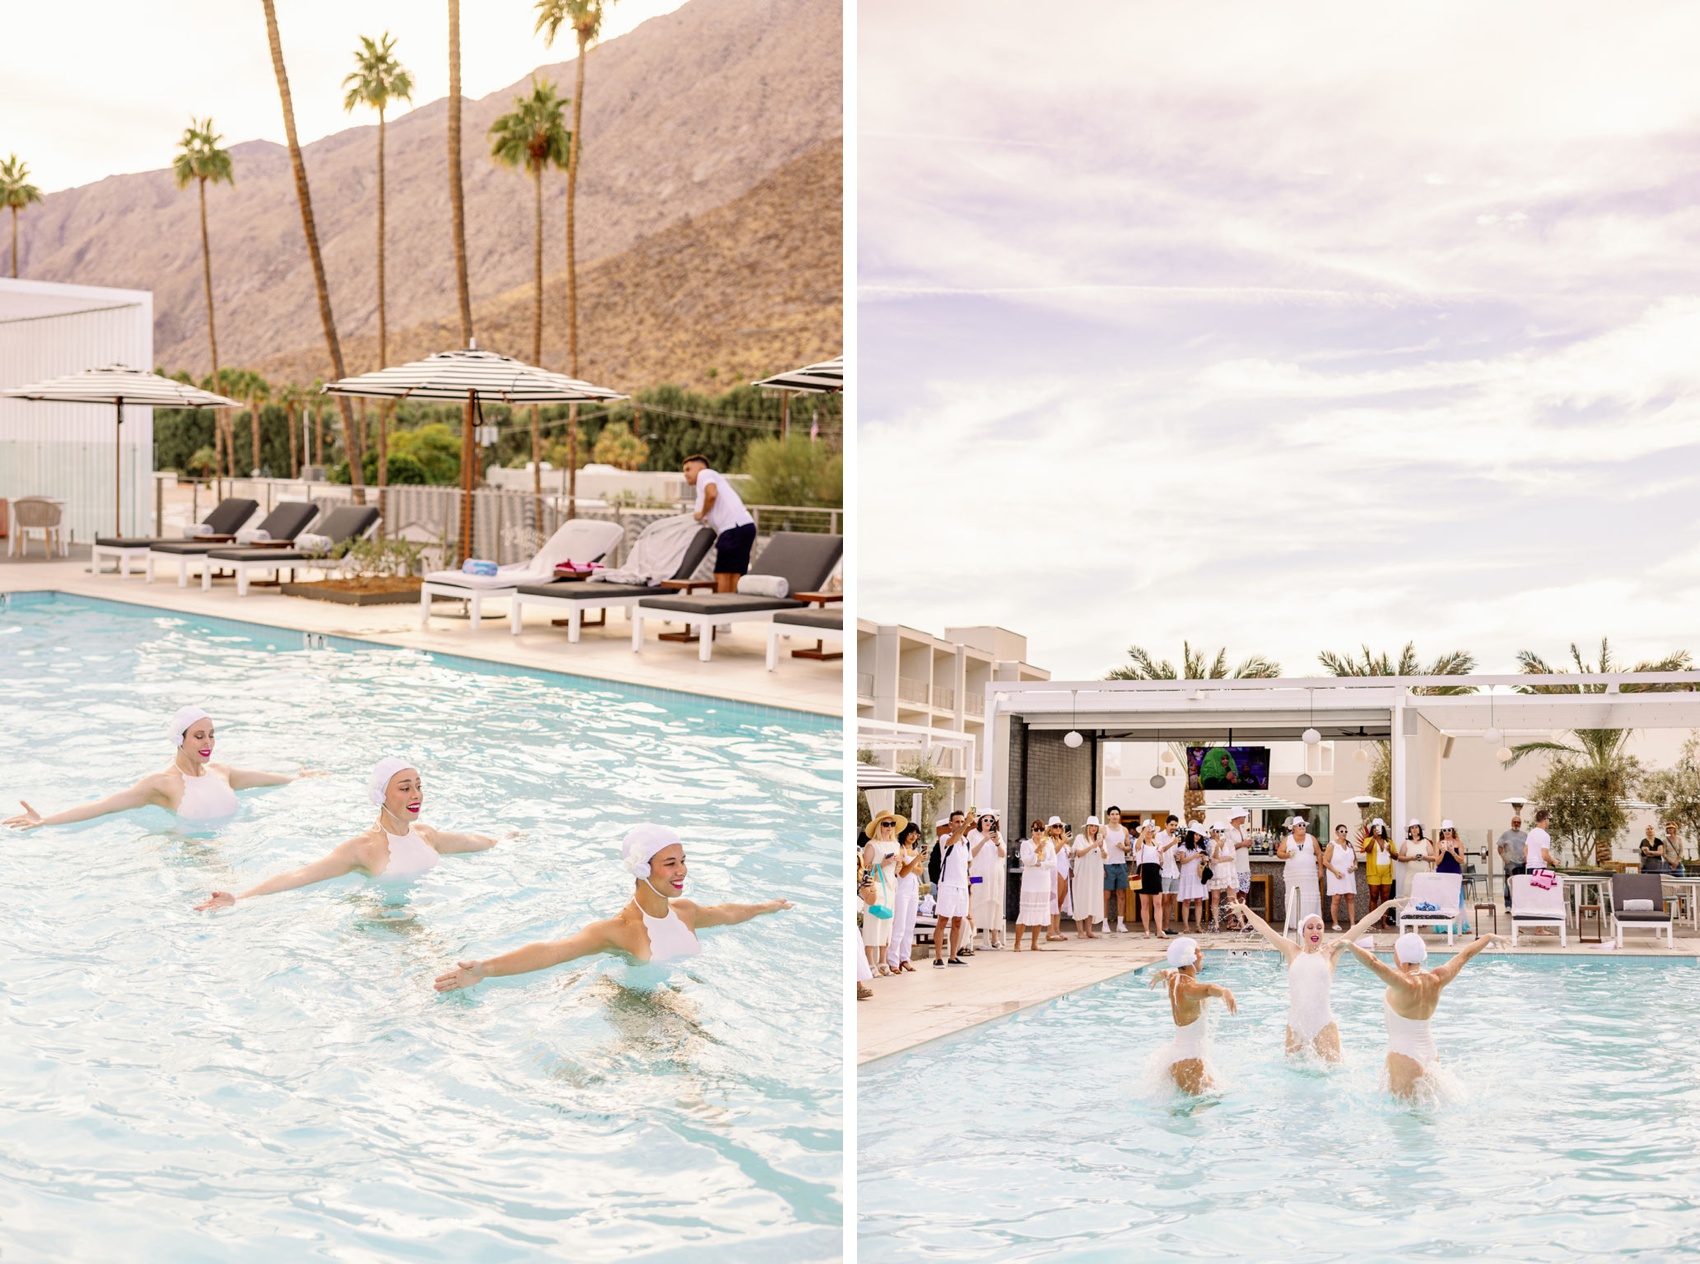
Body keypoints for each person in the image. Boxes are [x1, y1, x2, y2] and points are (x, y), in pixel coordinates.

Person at [434, 823, 792, 992]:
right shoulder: (619, 931)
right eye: (669, 863)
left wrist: (766, 907)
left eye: (683, 860)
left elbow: (728, 913)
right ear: (641, 868)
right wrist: (487, 968)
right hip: (636, 1004)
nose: (681, 870)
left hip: (676, 996)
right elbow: (553, 952)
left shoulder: (686, 912)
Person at [195, 759, 503, 910]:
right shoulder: (363, 849)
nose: (416, 795)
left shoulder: (425, 834)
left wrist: (503, 840)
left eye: (419, 786)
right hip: (384, 923)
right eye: (405, 788)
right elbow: (301, 876)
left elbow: (471, 843)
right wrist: (241, 897)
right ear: (381, 796)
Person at [5, 705, 322, 832]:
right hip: (189, 856)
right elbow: (105, 805)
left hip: (231, 844)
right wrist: (46, 819)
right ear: (178, 739)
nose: (207, 742)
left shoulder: (222, 772)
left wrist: (300, 780)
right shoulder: (162, 784)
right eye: (198, 736)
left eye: (211, 735)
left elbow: (270, 781)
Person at [1226, 898, 1402, 1060]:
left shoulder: (1331, 952)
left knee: (1333, 1072)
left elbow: (1361, 925)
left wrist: (1386, 906)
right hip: (1295, 1024)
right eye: (1310, 927)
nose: (1315, 931)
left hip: (1323, 1022)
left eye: (1319, 927)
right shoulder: (1292, 951)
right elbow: (1264, 928)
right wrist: (1244, 909)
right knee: (1293, 1074)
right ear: (1303, 931)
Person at [1342, 929, 1508, 1098]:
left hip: (1404, 1055)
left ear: (1404, 961)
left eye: (1395, 954)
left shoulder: (1404, 983)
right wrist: (1488, 937)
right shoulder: (1438, 978)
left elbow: (1373, 962)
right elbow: (1465, 955)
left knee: (1401, 1118)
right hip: (1430, 1055)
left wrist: (1348, 944)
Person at [1147, 937, 1237, 1094]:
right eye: (1198, 951)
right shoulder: (1189, 988)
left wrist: (1160, 975)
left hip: (1176, 1057)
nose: (1202, 955)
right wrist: (1224, 991)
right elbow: (1208, 989)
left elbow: (1167, 972)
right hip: (1190, 1061)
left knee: (1186, 1112)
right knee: (1211, 1103)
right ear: (1189, 958)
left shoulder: (1175, 979)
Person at [682, 453, 757, 594]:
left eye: (688, 469)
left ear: (700, 468)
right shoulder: (701, 492)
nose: (685, 474)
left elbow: (712, 495)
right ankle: (731, 608)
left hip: (734, 527)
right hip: (744, 526)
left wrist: (702, 513)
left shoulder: (705, 474)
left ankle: (720, 606)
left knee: (723, 572)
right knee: (736, 573)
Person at [861, 811, 902, 977]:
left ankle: (883, 961)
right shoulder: (872, 845)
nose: (889, 827)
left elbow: (897, 870)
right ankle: (870, 962)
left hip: (890, 887)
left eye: (892, 824)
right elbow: (864, 869)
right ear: (879, 826)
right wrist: (882, 863)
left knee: (887, 923)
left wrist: (897, 864)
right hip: (875, 887)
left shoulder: (896, 845)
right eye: (886, 824)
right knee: (872, 923)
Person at [931, 814, 973, 967]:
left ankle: (953, 956)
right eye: (957, 822)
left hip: (961, 886)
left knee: (957, 921)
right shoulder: (944, 838)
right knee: (942, 920)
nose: (960, 824)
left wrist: (966, 876)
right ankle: (937, 957)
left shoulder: (966, 842)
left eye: (962, 821)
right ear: (950, 824)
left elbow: (969, 861)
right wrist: (966, 824)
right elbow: (952, 840)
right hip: (947, 884)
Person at [886, 822, 926, 973]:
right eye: (911, 833)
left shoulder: (914, 851)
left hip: (914, 889)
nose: (913, 837)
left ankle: (905, 958)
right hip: (902, 890)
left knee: (910, 926)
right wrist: (915, 863)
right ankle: (893, 960)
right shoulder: (900, 849)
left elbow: (920, 871)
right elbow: (902, 872)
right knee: (899, 925)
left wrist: (913, 864)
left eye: (916, 834)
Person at [969, 812, 1007, 950]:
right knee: (976, 902)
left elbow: (1002, 854)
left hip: (995, 875)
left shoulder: (998, 834)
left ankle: (994, 938)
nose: (989, 822)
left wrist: (996, 842)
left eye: (992, 820)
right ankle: (970, 937)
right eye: (986, 819)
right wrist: (984, 840)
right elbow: (971, 854)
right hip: (978, 874)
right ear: (980, 821)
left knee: (995, 902)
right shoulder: (973, 834)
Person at [1016, 822, 1053, 951]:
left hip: (1043, 881)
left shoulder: (1049, 844)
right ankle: (1017, 944)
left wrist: (1041, 865)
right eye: (1036, 829)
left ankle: (1034, 943)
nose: (1039, 832)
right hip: (1030, 882)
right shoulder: (1026, 844)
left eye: (1041, 829)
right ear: (1032, 831)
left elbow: (1053, 862)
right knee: (1025, 911)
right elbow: (1027, 861)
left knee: (1040, 912)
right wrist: (1038, 850)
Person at [1278, 815, 1321, 925]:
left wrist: (1321, 869)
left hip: (1309, 875)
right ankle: (1294, 922)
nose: (1302, 827)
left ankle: (1311, 922)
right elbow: (1279, 853)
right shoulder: (1288, 839)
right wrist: (1288, 855)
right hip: (1293, 875)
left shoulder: (1311, 838)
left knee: (1310, 896)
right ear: (1294, 828)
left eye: (1303, 825)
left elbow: (1319, 853)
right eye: (1299, 825)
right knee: (1294, 895)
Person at [1072, 815, 1106, 939]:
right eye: (1091, 826)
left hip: (1095, 874)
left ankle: (1089, 931)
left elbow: (1105, 856)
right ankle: (1080, 931)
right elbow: (1079, 853)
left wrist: (1101, 847)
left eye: (1096, 826)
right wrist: (1093, 845)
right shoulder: (1080, 838)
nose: (1093, 828)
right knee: (1081, 899)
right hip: (1082, 873)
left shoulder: (1100, 839)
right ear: (1087, 827)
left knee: (1091, 899)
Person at [1101, 806, 1132, 932]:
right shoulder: (1104, 829)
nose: (1114, 816)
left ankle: (1120, 923)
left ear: (1119, 816)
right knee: (1106, 895)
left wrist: (1123, 848)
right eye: (1112, 814)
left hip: (1121, 864)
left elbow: (1129, 847)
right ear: (1108, 816)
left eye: (1117, 814)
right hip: (1107, 864)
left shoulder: (1124, 830)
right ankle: (1104, 923)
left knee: (1121, 894)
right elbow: (1099, 846)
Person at [1132, 822, 1165, 938]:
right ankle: (1146, 930)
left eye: (1151, 830)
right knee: (1144, 904)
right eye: (1147, 830)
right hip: (1144, 871)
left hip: (1155, 872)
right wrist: (1143, 833)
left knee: (1158, 903)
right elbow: (1137, 847)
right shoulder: (1139, 842)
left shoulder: (1158, 844)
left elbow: (1161, 861)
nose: (1149, 832)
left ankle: (1159, 930)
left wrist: (1161, 858)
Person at [1324, 823, 1359, 930]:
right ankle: (1335, 922)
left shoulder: (1349, 845)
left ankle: (1352, 923)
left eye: (1345, 831)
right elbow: (1325, 861)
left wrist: (1355, 866)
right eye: (1341, 831)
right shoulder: (1332, 845)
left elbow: (1355, 859)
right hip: (1336, 875)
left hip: (1348, 875)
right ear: (1337, 833)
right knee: (1336, 898)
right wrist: (1335, 872)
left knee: (1350, 897)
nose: (1344, 833)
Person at [1175, 823, 1207, 932]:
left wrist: (1203, 858)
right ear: (1191, 834)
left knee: (1199, 900)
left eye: (1199, 835)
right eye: (1196, 834)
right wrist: (1194, 856)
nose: (1197, 837)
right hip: (1187, 875)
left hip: (1198, 875)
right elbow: (1182, 861)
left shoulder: (1201, 846)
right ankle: (1186, 926)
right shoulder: (1184, 846)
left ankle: (1198, 925)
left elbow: (1204, 861)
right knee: (1186, 900)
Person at [1363, 819, 1395, 927]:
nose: (1377, 829)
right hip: (1374, 872)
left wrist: (1390, 851)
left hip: (1387, 872)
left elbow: (1396, 856)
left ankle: (1384, 922)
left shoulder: (1389, 841)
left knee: (1385, 898)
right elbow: (1367, 850)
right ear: (1372, 829)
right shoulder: (1368, 839)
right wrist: (1374, 838)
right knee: (1374, 896)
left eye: (1380, 827)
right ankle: (1372, 922)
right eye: (1375, 827)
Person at [1206, 823, 1236, 928]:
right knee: (1215, 898)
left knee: (1232, 898)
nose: (1219, 833)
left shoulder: (1229, 842)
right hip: (1216, 873)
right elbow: (1213, 858)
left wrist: (1219, 860)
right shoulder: (1211, 843)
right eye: (1217, 831)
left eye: (1221, 831)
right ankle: (1216, 923)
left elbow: (1232, 856)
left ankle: (1237, 922)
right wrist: (1217, 846)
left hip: (1228, 872)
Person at [1157, 814, 1182, 934]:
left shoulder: (1174, 837)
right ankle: (1159, 928)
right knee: (1162, 900)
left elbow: (1172, 853)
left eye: (1175, 825)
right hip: (1164, 872)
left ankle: (1166, 927)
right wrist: (1172, 843)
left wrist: (1176, 855)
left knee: (1171, 900)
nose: (1174, 827)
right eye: (1171, 825)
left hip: (1174, 872)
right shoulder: (1159, 836)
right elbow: (1160, 850)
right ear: (1165, 825)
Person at [1496, 814, 1527, 909]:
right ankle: (1508, 905)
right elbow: (1499, 848)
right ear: (1511, 823)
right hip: (1510, 863)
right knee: (1509, 883)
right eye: (1515, 822)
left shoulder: (1525, 835)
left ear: (1520, 824)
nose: (1516, 824)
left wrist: (1527, 857)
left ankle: (1518, 904)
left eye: (1518, 822)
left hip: (1521, 863)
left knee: (1520, 883)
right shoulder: (1505, 834)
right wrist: (1505, 859)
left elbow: (1528, 847)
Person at [1047, 817, 1071, 942]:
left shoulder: (1063, 840)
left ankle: (1057, 929)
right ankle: (1050, 930)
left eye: (1059, 826)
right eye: (1055, 826)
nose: (1058, 829)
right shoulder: (1049, 841)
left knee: (1060, 902)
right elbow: (1053, 853)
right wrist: (1063, 842)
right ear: (1050, 829)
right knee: (1053, 901)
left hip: (1065, 871)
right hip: (1055, 872)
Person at [1399, 820, 1434, 895]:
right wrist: (1411, 858)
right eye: (1412, 828)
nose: (1414, 829)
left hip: (1424, 876)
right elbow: (1400, 858)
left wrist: (1424, 857)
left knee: (1423, 897)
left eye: (1416, 827)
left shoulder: (1426, 842)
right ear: (1410, 831)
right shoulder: (1406, 843)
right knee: (1408, 897)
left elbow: (1433, 857)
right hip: (1410, 876)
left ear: (1420, 829)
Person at [1226, 806, 1253, 905]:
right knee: (1232, 895)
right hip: (1234, 867)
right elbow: (1226, 848)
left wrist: (1247, 844)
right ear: (1238, 817)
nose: (1245, 818)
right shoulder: (1227, 830)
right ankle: (1230, 919)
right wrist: (1242, 844)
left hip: (1245, 866)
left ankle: (1241, 918)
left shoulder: (1243, 829)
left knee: (1243, 893)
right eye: (1243, 816)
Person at [1526, 809, 1558, 874]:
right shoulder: (1545, 835)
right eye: (1549, 819)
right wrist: (1553, 861)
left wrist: (1530, 861)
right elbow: (1544, 855)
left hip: (1529, 867)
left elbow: (1525, 850)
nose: (1549, 821)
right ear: (1545, 819)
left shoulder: (1530, 834)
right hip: (1540, 868)